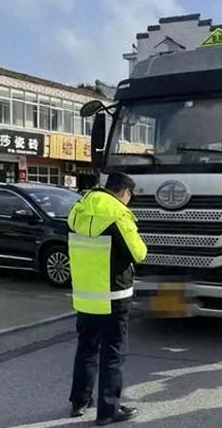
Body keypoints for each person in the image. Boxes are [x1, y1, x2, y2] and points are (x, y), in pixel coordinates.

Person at [67, 173, 147, 426]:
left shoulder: (79, 209)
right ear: (124, 191)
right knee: (113, 353)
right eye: (130, 196)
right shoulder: (118, 213)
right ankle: (108, 411)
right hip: (114, 296)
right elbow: (139, 252)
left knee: (86, 348)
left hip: (85, 295)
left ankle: (79, 402)